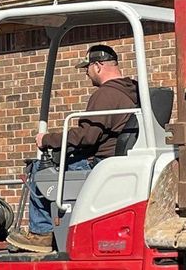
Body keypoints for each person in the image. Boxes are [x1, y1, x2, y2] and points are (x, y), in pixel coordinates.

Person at [7, 44, 140, 253]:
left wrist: (47, 139)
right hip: (118, 160)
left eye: (87, 68)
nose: (87, 74)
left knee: (39, 169)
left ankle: (41, 233)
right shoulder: (133, 91)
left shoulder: (106, 94)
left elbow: (87, 136)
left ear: (98, 66)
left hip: (99, 164)